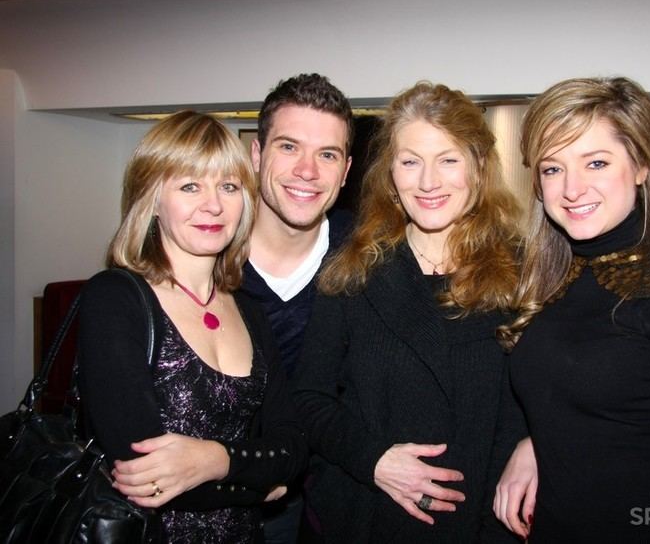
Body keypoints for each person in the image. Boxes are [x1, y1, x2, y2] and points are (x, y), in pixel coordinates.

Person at [493, 76, 650, 543]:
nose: (572, 188)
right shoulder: (551, 280)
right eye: (552, 169)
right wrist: (533, 442)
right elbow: (577, 405)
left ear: (640, 166)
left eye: (596, 162)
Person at [292, 81, 522, 543]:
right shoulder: (352, 267)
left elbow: (543, 404)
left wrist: (533, 445)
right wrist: (373, 458)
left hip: (480, 522)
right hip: (366, 516)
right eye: (411, 161)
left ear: (478, 167)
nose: (428, 182)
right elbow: (306, 400)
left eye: (448, 160)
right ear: (390, 174)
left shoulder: (523, 273)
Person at [77, 111, 308, 543]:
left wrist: (215, 460)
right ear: (152, 201)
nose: (214, 205)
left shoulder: (250, 311)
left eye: (229, 186)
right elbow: (145, 479)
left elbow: (293, 448)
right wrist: (259, 481)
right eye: (189, 186)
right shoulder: (115, 299)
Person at [239, 73, 354, 543]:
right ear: (257, 154)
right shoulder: (205, 256)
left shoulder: (365, 253)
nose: (307, 170)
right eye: (288, 147)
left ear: (345, 172)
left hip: (333, 500)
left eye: (326, 154)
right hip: (213, 503)